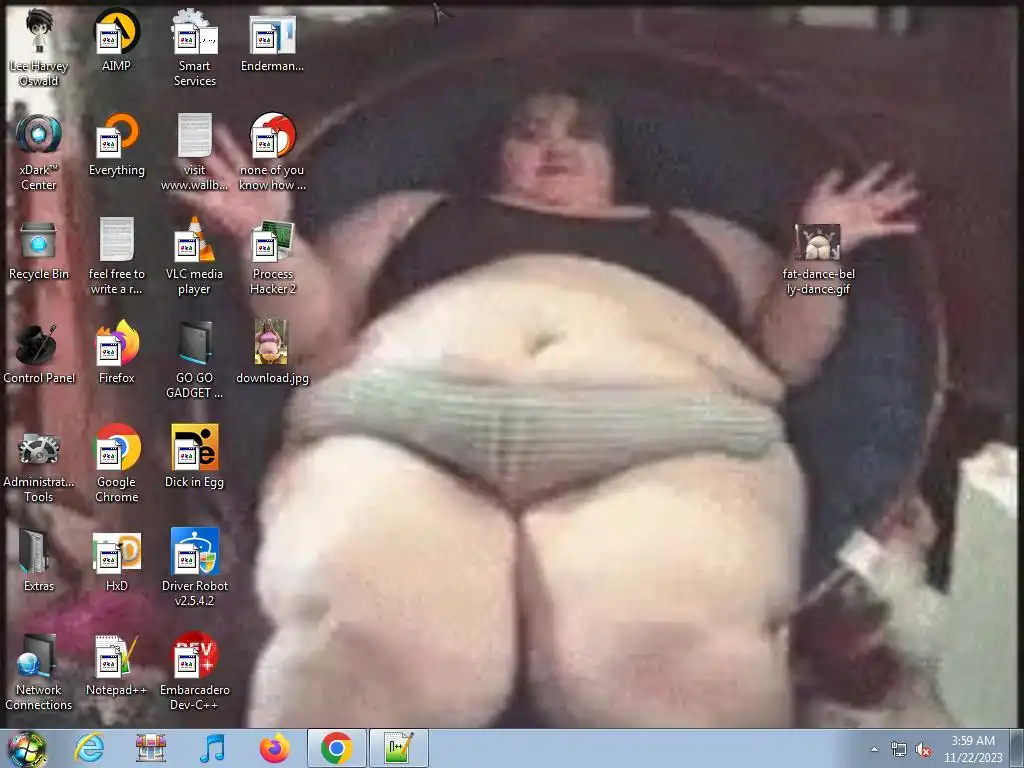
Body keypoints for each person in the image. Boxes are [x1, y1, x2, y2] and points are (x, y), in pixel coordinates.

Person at [174, 85, 918, 728]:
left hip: (670, 440)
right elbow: (304, 338)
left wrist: (819, 246)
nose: (554, 148)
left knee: (675, 658)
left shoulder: (707, 236)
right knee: (363, 644)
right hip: (398, 426)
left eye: (581, 134)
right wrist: (268, 235)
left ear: (617, 163)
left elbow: (789, 352)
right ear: (495, 157)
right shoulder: (408, 213)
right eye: (529, 133)